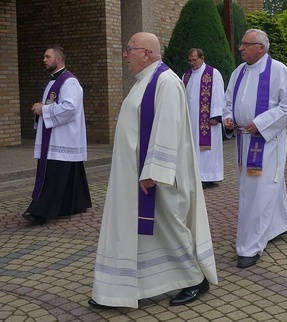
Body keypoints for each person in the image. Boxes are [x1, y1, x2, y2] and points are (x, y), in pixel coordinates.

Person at [89, 32, 217, 309]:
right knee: (145, 232)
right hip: (135, 176)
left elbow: (168, 127)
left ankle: (195, 280)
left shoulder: (166, 81)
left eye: (130, 50)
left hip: (157, 177)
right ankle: (131, 286)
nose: (125, 55)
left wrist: (153, 170)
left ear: (147, 53)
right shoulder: (144, 81)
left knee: (169, 226)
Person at [223, 29, 287, 268]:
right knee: (255, 189)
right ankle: (281, 224)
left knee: (259, 192)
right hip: (243, 140)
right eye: (241, 43)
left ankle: (250, 246)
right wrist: (228, 117)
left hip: (267, 142)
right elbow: (227, 102)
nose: (241, 48)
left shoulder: (278, 71)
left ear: (261, 48)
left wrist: (261, 123)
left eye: (246, 44)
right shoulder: (238, 72)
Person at [22, 46, 91, 225]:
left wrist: (43, 109)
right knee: (68, 176)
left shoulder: (69, 82)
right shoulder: (54, 81)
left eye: (47, 57)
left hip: (62, 138)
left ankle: (40, 211)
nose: (44, 60)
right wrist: (41, 108)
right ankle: (74, 204)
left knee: (53, 176)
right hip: (56, 137)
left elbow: (70, 107)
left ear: (58, 59)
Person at [182, 48, 225, 188]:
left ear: (202, 58)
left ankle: (209, 176)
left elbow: (218, 94)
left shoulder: (213, 74)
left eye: (194, 60)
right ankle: (196, 176)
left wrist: (216, 115)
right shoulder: (186, 76)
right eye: (190, 60)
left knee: (206, 149)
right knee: (193, 147)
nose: (192, 63)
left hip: (207, 120)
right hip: (191, 119)